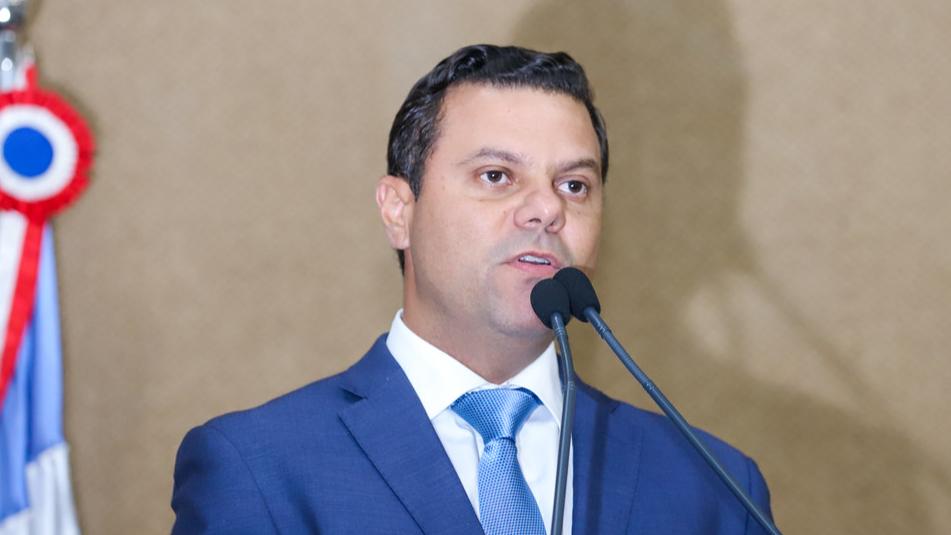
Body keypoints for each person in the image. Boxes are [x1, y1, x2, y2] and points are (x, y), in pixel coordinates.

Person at [171, 44, 774, 534]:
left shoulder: (713, 485)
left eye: (574, 186)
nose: (546, 209)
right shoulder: (259, 468)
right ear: (399, 210)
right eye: (497, 176)